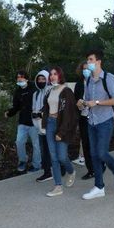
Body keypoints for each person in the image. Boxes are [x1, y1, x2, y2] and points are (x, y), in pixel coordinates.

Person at [80, 49, 114, 200]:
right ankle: (99, 187)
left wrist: (97, 102)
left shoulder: (109, 78)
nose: (89, 63)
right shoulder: (88, 80)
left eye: (91, 60)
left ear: (99, 62)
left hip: (105, 121)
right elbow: (87, 101)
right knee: (94, 155)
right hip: (91, 121)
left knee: (101, 152)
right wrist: (82, 103)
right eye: (88, 60)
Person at [41, 67, 77, 197]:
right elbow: (47, 108)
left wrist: (61, 132)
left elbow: (69, 115)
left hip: (61, 126)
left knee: (61, 156)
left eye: (55, 74)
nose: (52, 76)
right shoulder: (50, 90)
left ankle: (71, 170)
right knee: (54, 157)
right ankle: (58, 186)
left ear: (60, 75)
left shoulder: (66, 91)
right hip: (50, 124)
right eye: (51, 74)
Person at [5, 71, 41, 172]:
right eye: (18, 78)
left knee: (36, 145)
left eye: (22, 77)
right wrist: (9, 113)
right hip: (23, 122)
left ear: (27, 78)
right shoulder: (17, 92)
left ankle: (37, 165)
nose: (19, 79)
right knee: (19, 141)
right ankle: (22, 161)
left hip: (34, 122)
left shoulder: (35, 88)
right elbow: (16, 107)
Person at [74, 61, 95, 180]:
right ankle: (91, 169)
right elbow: (75, 100)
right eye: (84, 69)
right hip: (83, 117)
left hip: (96, 117)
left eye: (88, 68)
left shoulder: (96, 82)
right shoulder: (79, 84)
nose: (86, 71)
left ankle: (99, 165)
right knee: (86, 144)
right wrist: (79, 104)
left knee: (95, 144)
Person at [32, 70, 53, 182]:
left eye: (43, 79)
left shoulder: (50, 91)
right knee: (44, 150)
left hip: (50, 125)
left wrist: (41, 114)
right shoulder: (36, 94)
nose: (41, 81)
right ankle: (47, 172)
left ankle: (64, 167)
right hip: (40, 127)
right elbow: (34, 109)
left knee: (54, 150)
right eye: (39, 79)